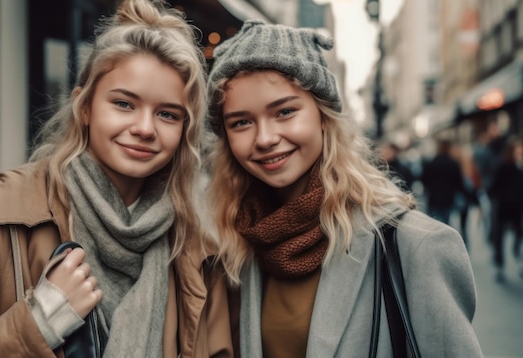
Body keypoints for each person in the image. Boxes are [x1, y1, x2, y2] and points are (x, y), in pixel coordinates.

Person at [0, 1, 233, 357]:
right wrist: (36, 325)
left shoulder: (197, 250)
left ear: (184, 130)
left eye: (167, 114)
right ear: (84, 107)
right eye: (124, 104)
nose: (144, 128)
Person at [205, 20, 482, 357]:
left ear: (323, 116)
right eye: (242, 122)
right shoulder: (235, 245)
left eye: (285, 112)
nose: (264, 138)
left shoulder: (413, 245)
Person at [488, 136, 523, 282]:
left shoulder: (520, 166)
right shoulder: (503, 166)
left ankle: (518, 258)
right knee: (499, 238)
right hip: (503, 207)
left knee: (519, 235)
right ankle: (499, 267)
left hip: (518, 208)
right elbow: (494, 187)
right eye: (518, 149)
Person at [420, 139, 475, 225]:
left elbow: (424, 180)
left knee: (434, 224)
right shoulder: (453, 164)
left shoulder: (431, 163)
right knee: (445, 223)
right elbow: (458, 183)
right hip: (448, 199)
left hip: (434, 199)